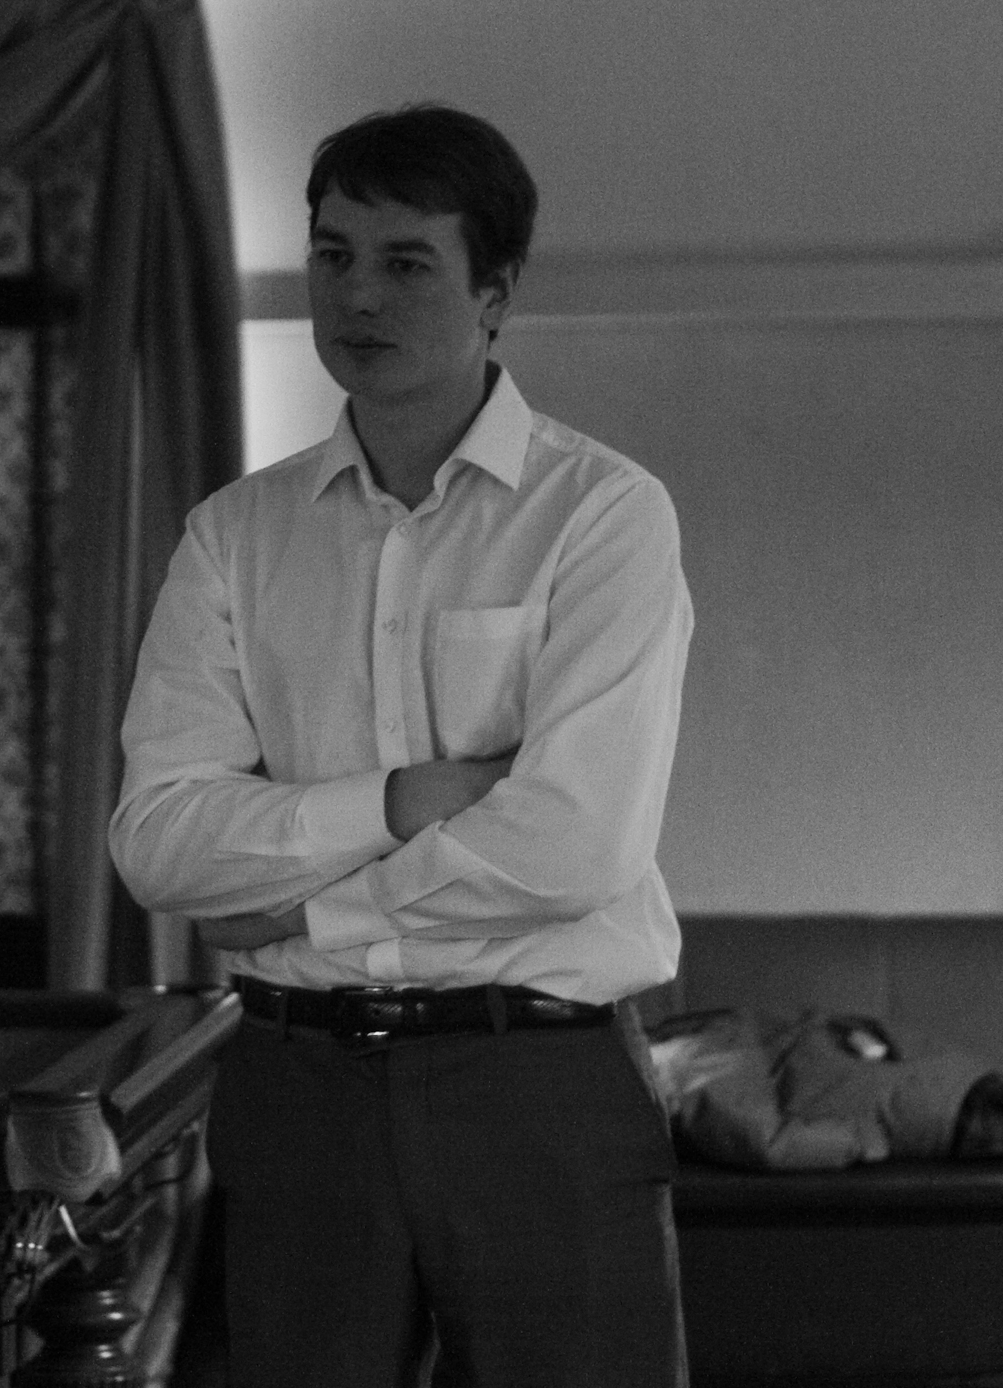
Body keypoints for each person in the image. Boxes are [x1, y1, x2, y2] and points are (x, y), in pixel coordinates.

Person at [109, 104, 693, 1386]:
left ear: (494, 292)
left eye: (404, 262)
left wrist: (303, 907)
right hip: (296, 1087)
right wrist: (404, 798)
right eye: (331, 255)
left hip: (534, 1077)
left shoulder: (600, 515)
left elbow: (571, 846)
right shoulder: (232, 534)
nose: (355, 296)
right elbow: (157, 845)